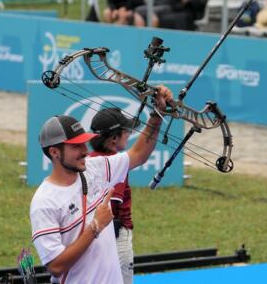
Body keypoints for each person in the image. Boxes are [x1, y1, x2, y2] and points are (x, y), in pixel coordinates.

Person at [30, 86, 172, 284]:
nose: (84, 151)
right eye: (75, 146)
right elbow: (55, 266)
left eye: (84, 143)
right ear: (54, 152)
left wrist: (157, 114)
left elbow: (138, 154)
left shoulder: (95, 168)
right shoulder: (44, 202)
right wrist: (95, 227)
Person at [88, 108, 140, 284]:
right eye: (126, 131)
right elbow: (112, 209)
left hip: (92, 237)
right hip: (115, 237)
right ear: (113, 138)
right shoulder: (115, 163)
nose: (129, 134)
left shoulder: (88, 158)